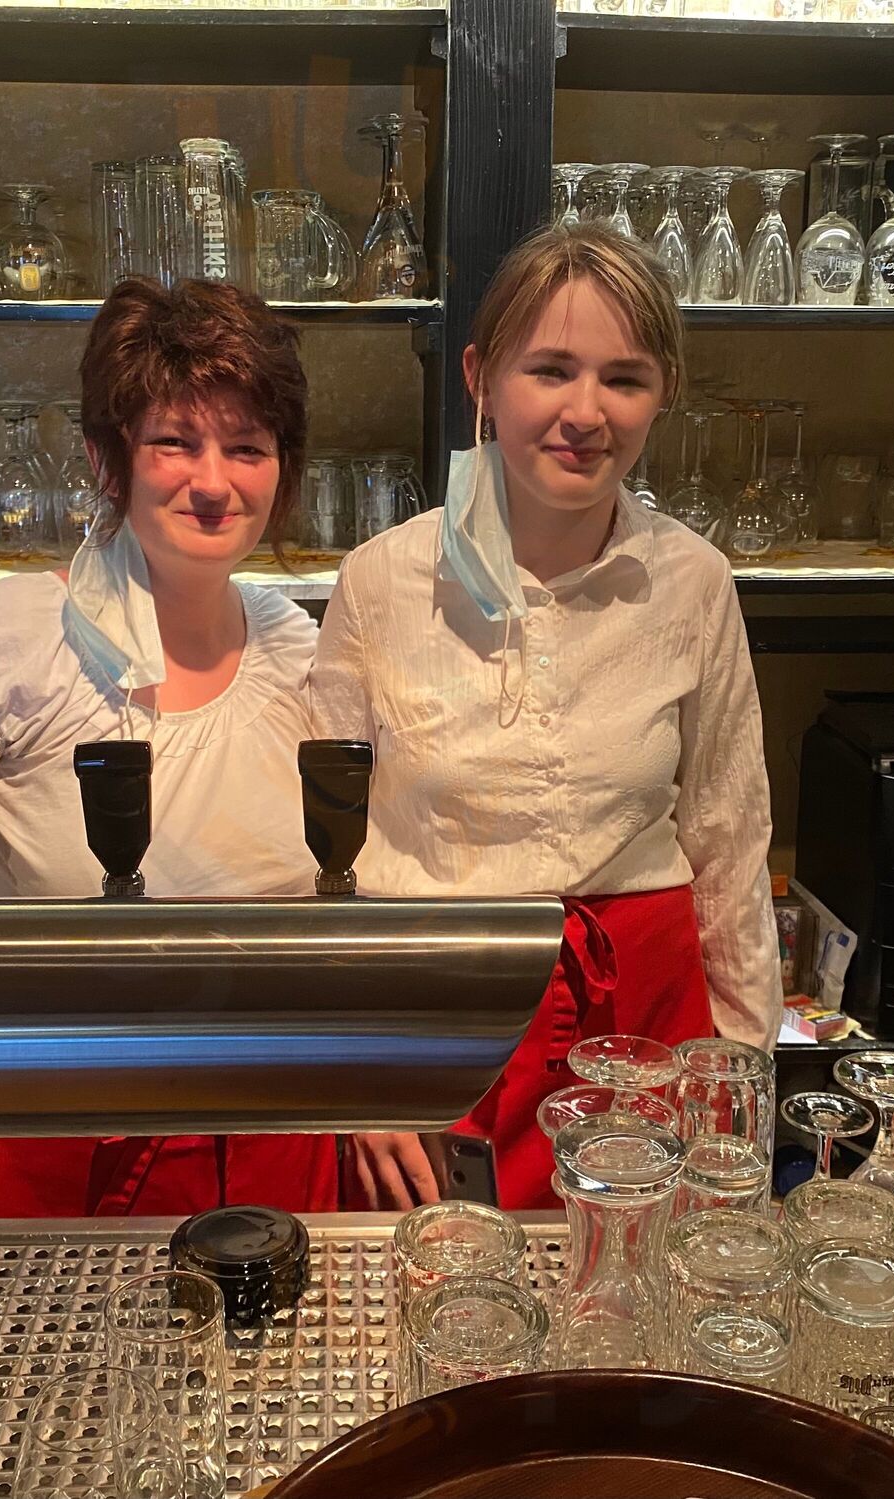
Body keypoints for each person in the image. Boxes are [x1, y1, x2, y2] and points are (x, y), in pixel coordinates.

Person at [0, 277, 337, 1219]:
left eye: (247, 446)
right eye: (173, 441)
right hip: (60, 1128)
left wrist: (377, 1081)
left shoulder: (294, 643)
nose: (213, 481)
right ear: (106, 459)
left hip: (277, 1125)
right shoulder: (14, 635)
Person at [311, 223, 781, 1211]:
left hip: (644, 1022)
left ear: (663, 391)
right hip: (435, 1024)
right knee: (443, 1287)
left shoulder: (692, 580)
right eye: (551, 369)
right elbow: (323, 856)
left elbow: (729, 841)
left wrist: (739, 1076)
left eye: (624, 378)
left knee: (634, 1286)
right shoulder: (382, 579)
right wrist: (350, 1066)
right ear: (480, 376)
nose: (585, 412)